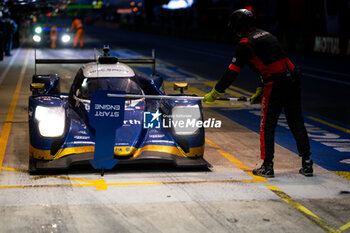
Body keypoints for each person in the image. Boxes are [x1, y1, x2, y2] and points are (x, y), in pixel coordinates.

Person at [203, 9, 313, 178]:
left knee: (267, 125)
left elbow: (232, 72)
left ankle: (267, 166)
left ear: (238, 25)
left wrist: (216, 92)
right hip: (293, 79)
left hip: (276, 83)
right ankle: (307, 163)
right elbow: (265, 63)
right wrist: (261, 88)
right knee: (296, 122)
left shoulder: (245, 44)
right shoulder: (267, 35)